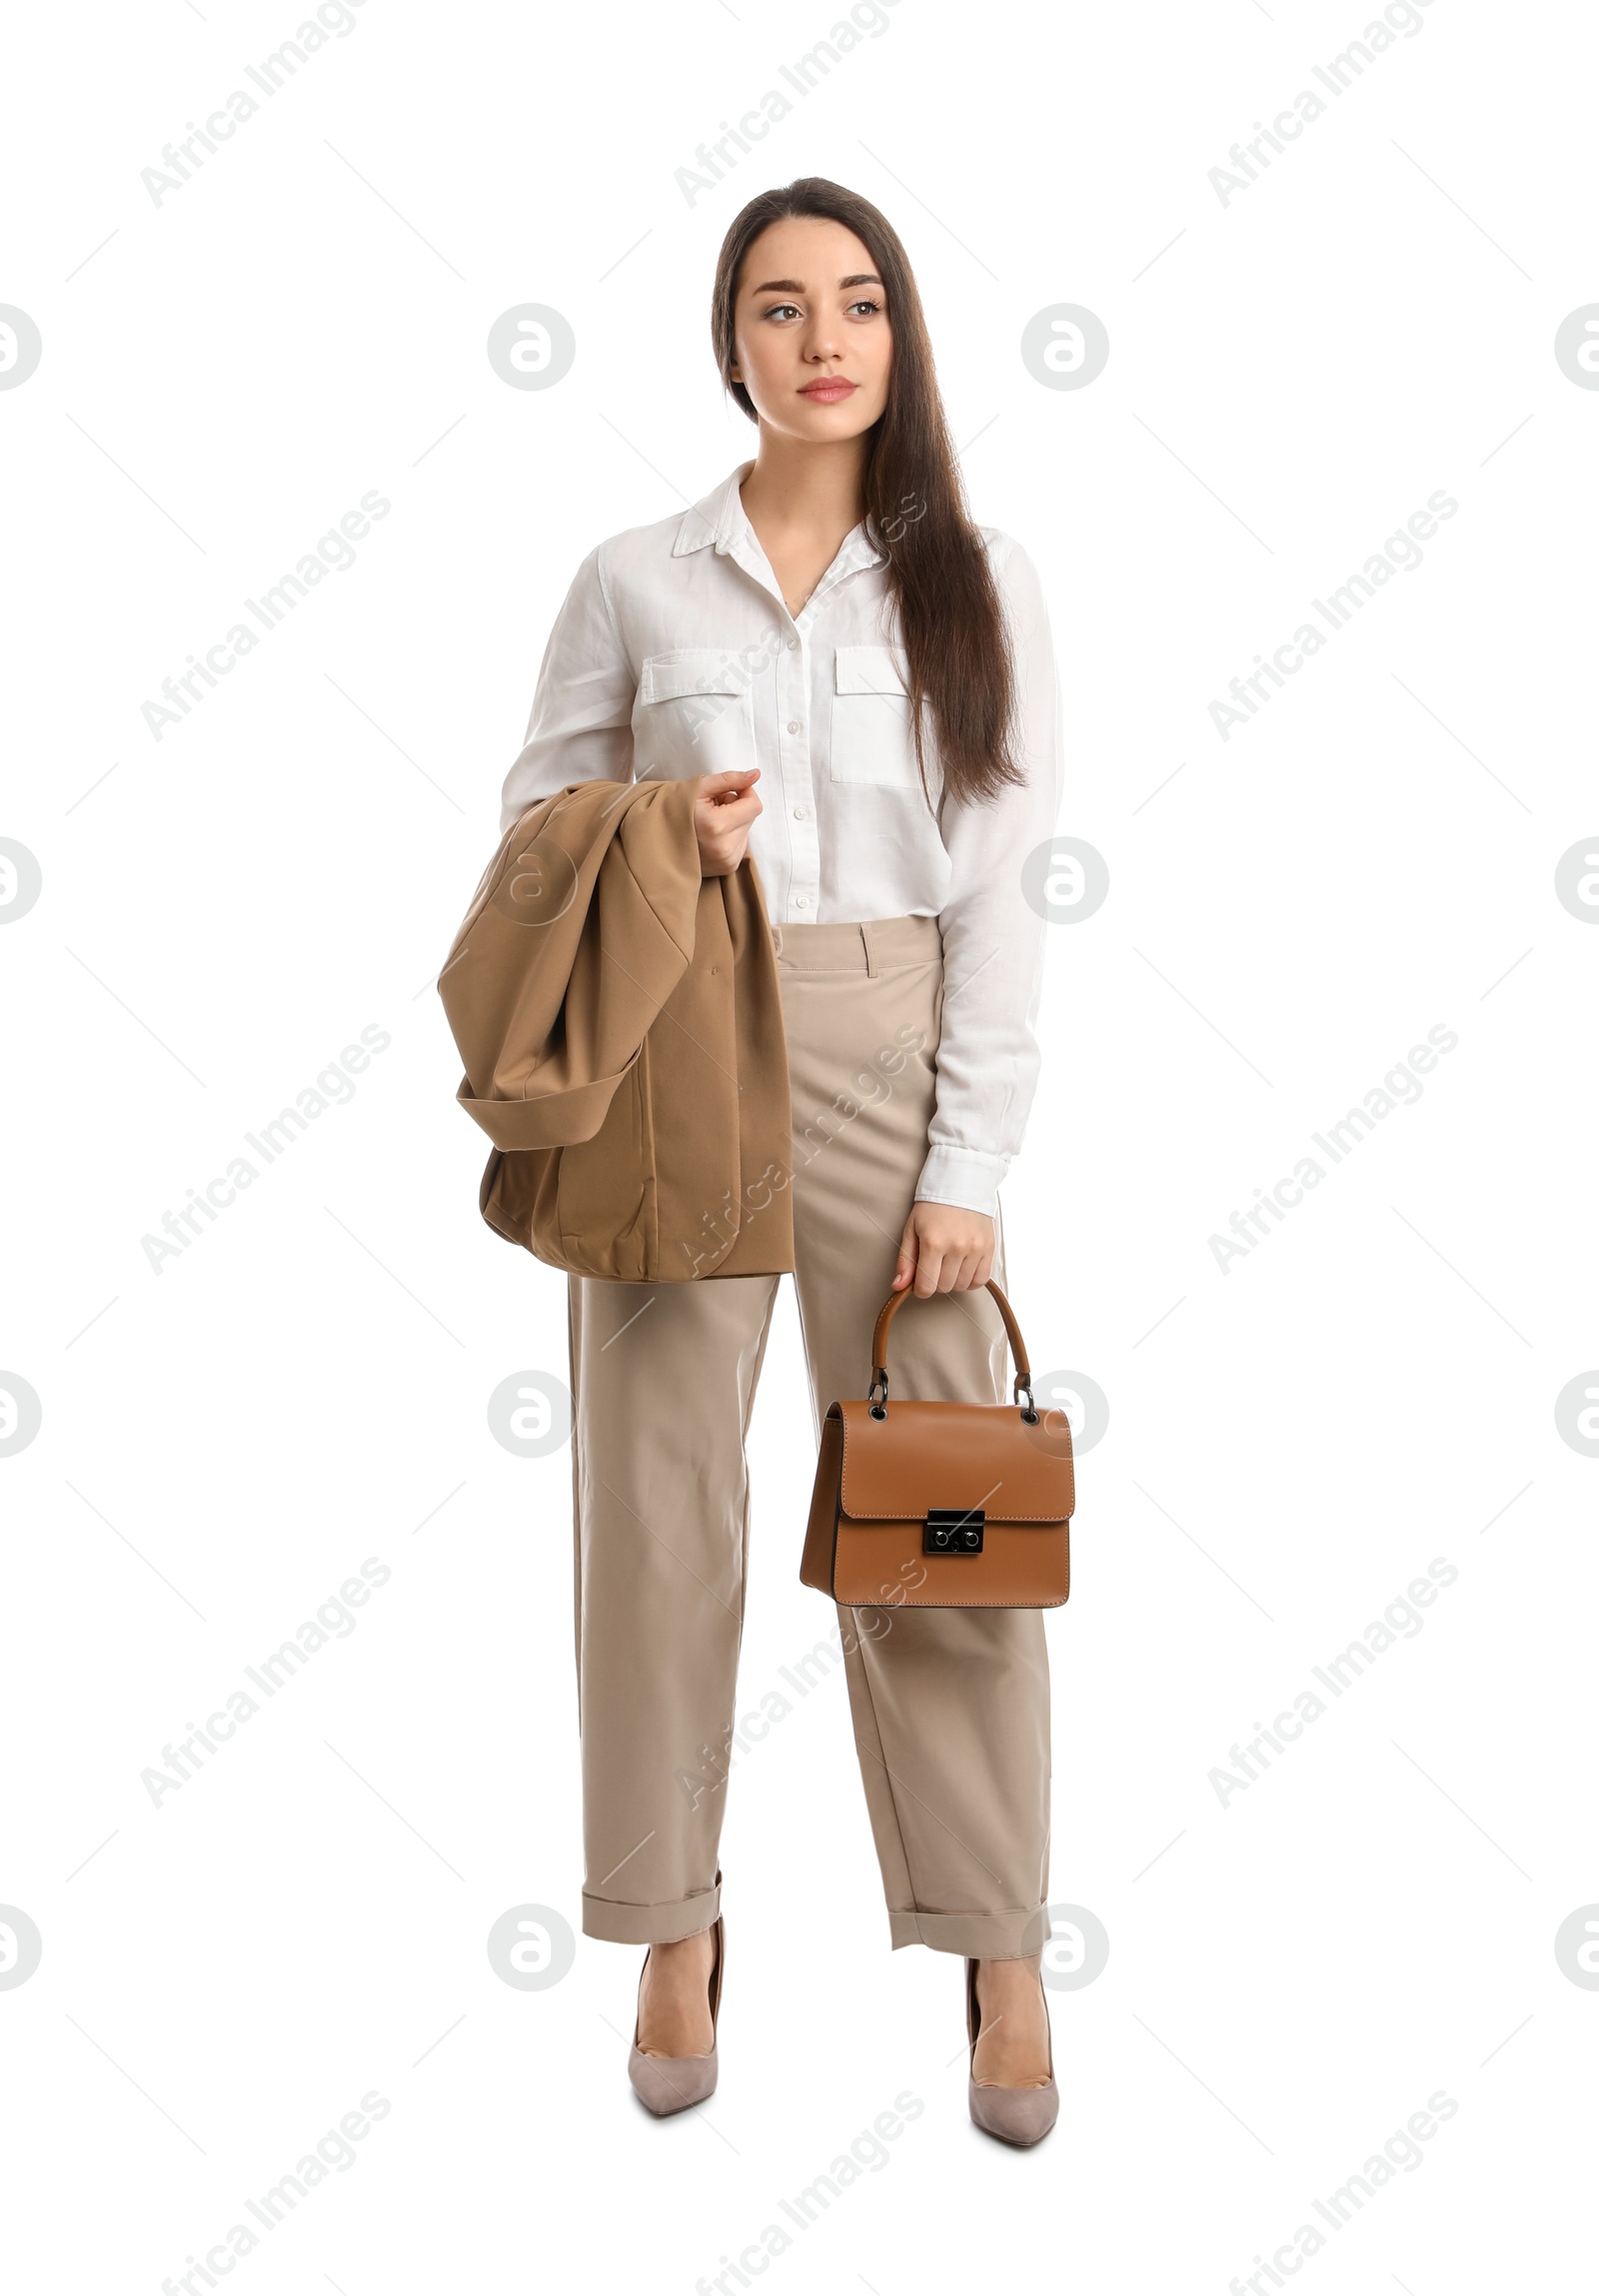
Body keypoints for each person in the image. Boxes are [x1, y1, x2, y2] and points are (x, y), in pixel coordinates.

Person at [498, 176, 1064, 2143]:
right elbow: (534, 829)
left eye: (855, 305)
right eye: (774, 307)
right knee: (656, 1514)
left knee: (942, 1514)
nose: (818, 339)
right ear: (725, 343)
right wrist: (671, 835)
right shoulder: (633, 578)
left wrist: (964, 1158)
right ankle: (671, 1920)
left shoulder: (967, 586)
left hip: (882, 1059)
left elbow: (998, 903)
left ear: (895, 340)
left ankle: (996, 1939)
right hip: (673, 1051)